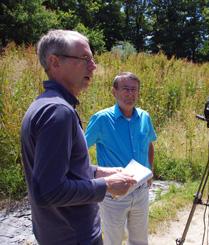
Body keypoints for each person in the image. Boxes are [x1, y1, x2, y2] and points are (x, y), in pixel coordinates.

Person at [21, 29, 137, 245]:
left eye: (93, 59)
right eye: (85, 59)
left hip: (57, 233)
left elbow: (61, 170)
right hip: (74, 237)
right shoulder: (58, 111)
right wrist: (106, 184)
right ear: (54, 61)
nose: (93, 66)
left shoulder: (45, 104)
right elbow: (48, 191)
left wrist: (97, 171)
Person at [85, 72, 157, 245]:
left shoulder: (144, 117)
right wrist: (94, 176)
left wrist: (150, 172)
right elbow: (78, 150)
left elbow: (149, 144)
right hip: (113, 195)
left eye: (134, 90)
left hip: (140, 191)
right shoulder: (102, 119)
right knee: (113, 240)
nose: (130, 94)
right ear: (114, 92)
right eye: (125, 89)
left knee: (140, 240)